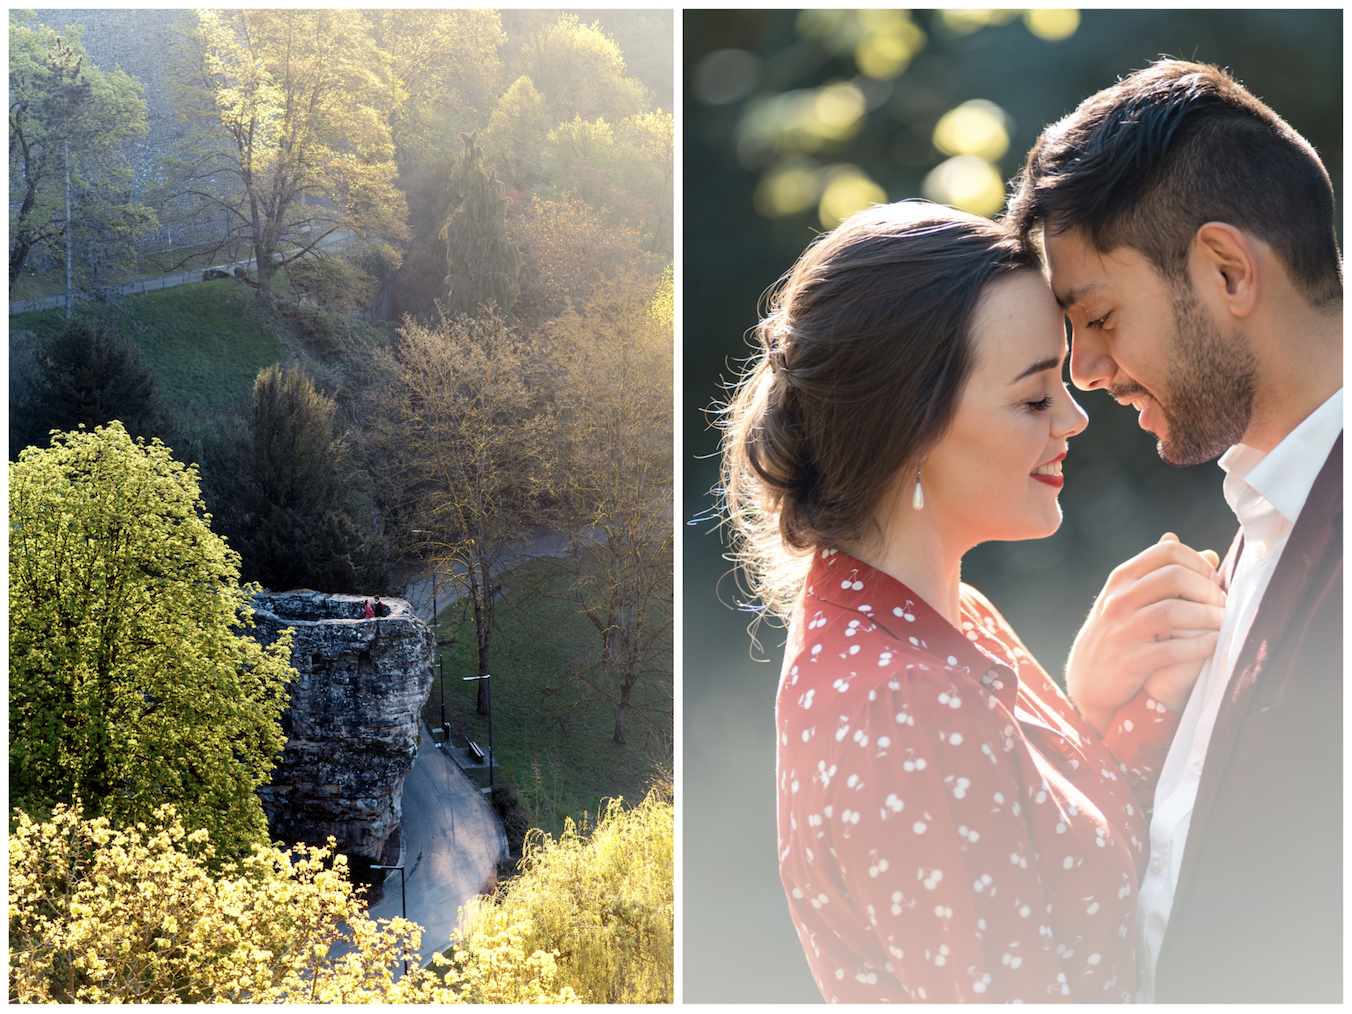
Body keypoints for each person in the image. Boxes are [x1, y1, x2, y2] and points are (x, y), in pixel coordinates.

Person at [719, 201, 1225, 1002]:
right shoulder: (901, 700)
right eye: (1033, 397)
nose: (1074, 417)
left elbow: (1080, 893)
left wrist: (1103, 712)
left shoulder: (943, 619)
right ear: (908, 429)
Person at [1005, 59, 1342, 1003]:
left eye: (1100, 318)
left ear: (1229, 271)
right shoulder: (1254, 528)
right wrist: (1100, 718)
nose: (1089, 371)